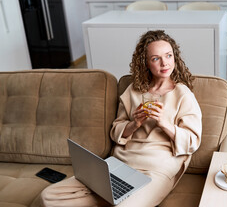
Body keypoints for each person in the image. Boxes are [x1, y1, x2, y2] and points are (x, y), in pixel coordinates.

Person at [40, 30, 202, 207]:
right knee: (49, 196)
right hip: (121, 164)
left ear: (175, 57)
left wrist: (164, 123)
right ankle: (111, 196)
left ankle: (115, 198)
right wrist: (134, 124)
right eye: (156, 58)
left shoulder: (183, 95)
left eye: (168, 55)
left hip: (157, 169)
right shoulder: (134, 90)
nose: (165, 63)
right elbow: (116, 130)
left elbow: (192, 141)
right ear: (146, 63)